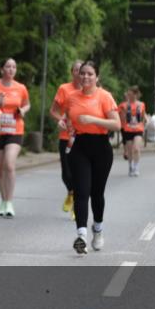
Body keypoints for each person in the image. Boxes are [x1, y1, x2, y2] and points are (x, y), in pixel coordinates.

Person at [50, 61, 120, 254]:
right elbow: (61, 114)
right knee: (81, 191)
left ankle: (97, 229)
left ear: (97, 77)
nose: (86, 77)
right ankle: (81, 235)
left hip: (101, 148)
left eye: (90, 74)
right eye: (82, 74)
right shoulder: (71, 97)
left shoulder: (104, 97)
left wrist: (93, 120)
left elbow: (117, 124)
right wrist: (62, 122)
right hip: (79, 146)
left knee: (97, 193)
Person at [0, 57, 29, 217]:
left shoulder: (21, 88)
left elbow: (27, 103)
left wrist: (23, 110)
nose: (11, 69)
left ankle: (10, 202)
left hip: (15, 130)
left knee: (9, 164)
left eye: (14, 67)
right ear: (2, 69)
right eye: (8, 66)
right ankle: (3, 200)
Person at [50, 61, 83, 220]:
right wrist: (60, 120)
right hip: (66, 137)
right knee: (66, 173)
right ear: (72, 72)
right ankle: (71, 192)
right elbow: (54, 111)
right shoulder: (64, 89)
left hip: (84, 138)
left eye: (82, 70)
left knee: (80, 173)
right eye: (76, 70)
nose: (79, 73)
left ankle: (77, 206)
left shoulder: (90, 91)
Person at [119, 87, 146, 176]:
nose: (130, 96)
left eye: (132, 94)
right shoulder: (123, 105)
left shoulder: (141, 104)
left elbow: (143, 117)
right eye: (129, 94)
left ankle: (136, 167)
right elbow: (122, 119)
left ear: (136, 94)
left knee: (136, 148)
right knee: (130, 150)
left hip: (138, 129)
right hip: (128, 129)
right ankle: (130, 166)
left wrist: (145, 123)